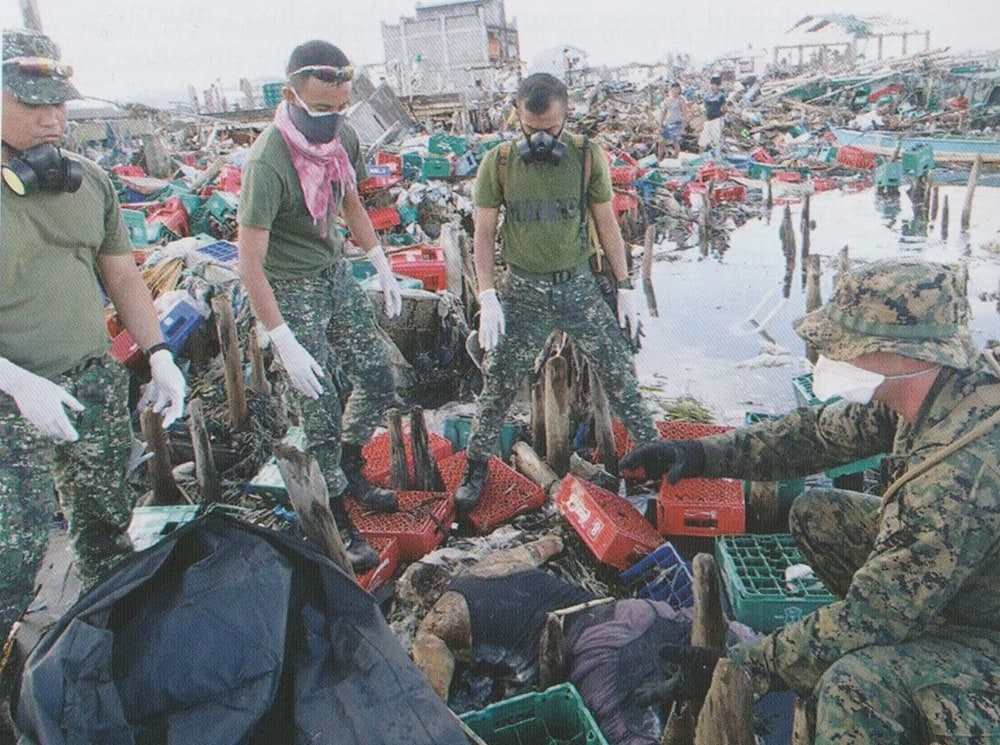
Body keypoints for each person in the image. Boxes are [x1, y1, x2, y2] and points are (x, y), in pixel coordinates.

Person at [622, 259, 1000, 745]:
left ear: (901, 352)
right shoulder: (940, 389)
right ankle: (914, 643)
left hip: (987, 634)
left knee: (855, 682)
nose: (832, 355)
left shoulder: (960, 473)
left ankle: (921, 671)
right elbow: (815, 436)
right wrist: (698, 454)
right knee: (817, 514)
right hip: (970, 588)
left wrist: (743, 666)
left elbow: (871, 616)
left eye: (847, 345)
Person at [0, 29, 187, 641]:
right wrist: (18, 382)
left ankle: (107, 643)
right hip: (8, 398)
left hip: (88, 381)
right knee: (12, 555)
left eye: (59, 103)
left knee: (105, 525)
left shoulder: (88, 182)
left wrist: (159, 352)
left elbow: (124, 277)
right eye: (32, 103)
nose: (53, 117)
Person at [454, 72, 659, 512]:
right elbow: (484, 233)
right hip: (523, 291)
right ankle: (475, 466)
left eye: (549, 129)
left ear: (566, 117)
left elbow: (607, 223)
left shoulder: (586, 157)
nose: (540, 139)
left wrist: (625, 287)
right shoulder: (500, 163)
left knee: (621, 375)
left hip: (579, 287)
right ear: (518, 118)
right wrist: (487, 294)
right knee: (498, 383)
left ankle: (660, 458)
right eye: (531, 130)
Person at [238, 40, 404, 572]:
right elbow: (249, 263)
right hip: (288, 286)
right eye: (318, 108)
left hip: (333, 273)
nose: (330, 120)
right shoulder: (268, 161)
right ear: (290, 95)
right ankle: (333, 511)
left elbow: (351, 199)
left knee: (378, 374)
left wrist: (378, 260)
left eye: (339, 108)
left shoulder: (342, 137)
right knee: (318, 405)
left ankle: (350, 466)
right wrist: (280, 337)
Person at [405, 536, 756, 745]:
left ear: (426, 599)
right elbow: (551, 544)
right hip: (629, 611)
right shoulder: (491, 566)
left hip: (597, 652)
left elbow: (430, 699)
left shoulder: (437, 623)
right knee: (740, 652)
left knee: (631, 733)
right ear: (446, 573)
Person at [698, 75, 725, 159]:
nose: (713, 86)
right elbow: (705, 106)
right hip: (708, 120)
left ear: (718, 86)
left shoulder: (721, 96)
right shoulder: (707, 95)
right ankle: (700, 158)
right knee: (702, 140)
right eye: (712, 84)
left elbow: (724, 108)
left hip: (717, 120)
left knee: (716, 140)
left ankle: (717, 158)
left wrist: (718, 114)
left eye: (716, 84)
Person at [657, 82, 686, 160]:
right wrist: (660, 125)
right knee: (661, 142)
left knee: (675, 142)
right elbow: (663, 113)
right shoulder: (667, 100)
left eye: (677, 89)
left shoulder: (681, 100)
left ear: (679, 90)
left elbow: (684, 114)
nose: (675, 90)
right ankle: (659, 159)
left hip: (676, 124)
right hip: (667, 123)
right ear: (671, 89)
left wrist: (683, 128)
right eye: (673, 89)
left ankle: (675, 159)